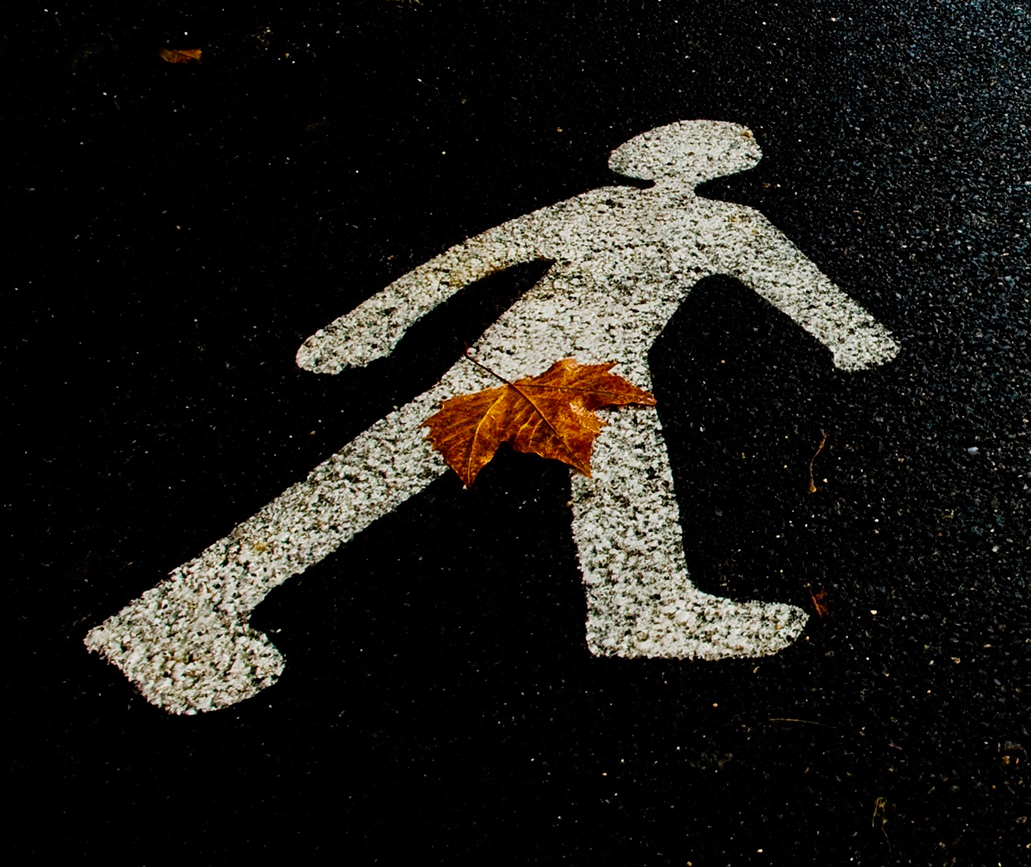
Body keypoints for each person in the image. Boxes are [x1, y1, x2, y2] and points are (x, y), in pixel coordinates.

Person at [87, 121, 899, 715]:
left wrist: (371, 323)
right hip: (566, 360)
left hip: (544, 355)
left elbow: (467, 260)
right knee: (414, 463)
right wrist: (853, 337)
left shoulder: (652, 213)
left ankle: (643, 605)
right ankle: (186, 605)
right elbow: (476, 257)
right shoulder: (723, 221)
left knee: (531, 464)